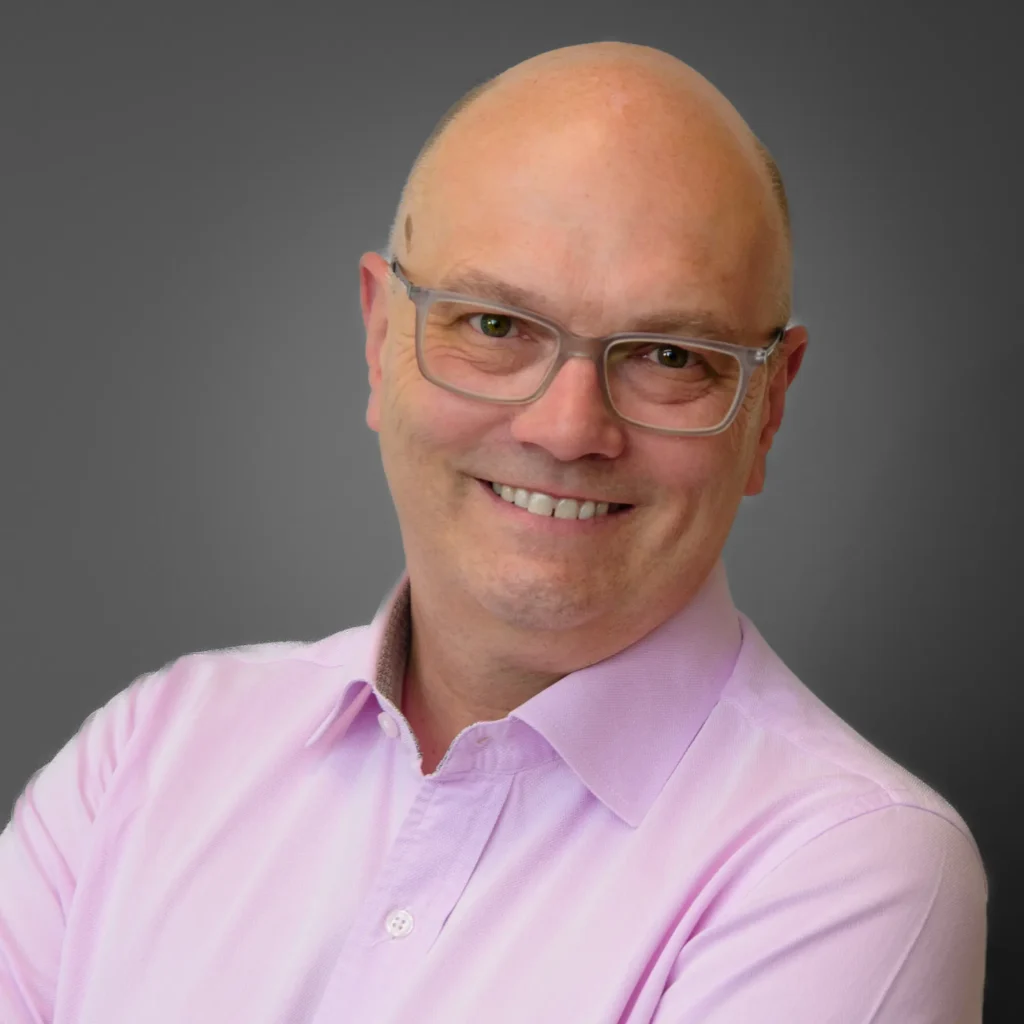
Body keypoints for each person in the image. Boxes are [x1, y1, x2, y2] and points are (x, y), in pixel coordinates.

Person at [0, 41, 987, 1023]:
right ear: (380, 337)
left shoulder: (850, 862)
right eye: (495, 326)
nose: (566, 429)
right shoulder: (146, 754)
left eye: (665, 353)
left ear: (767, 408)